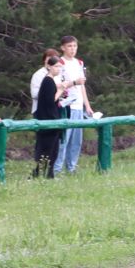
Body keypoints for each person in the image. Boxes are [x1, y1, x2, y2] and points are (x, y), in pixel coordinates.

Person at [55, 35, 92, 174]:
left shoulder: (79, 63)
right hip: (66, 105)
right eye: (69, 46)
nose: (72, 49)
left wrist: (87, 106)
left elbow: (82, 86)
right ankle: (57, 169)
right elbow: (60, 84)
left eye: (74, 46)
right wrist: (74, 82)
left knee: (77, 140)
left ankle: (71, 167)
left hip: (78, 105)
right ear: (63, 47)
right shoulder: (60, 63)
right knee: (64, 139)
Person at [32, 52, 68, 178]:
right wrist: (61, 90)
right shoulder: (48, 81)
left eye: (60, 67)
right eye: (56, 66)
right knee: (47, 150)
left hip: (52, 118)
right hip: (48, 119)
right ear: (49, 67)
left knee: (53, 150)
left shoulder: (50, 80)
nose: (58, 69)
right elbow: (50, 100)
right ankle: (40, 174)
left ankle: (48, 174)